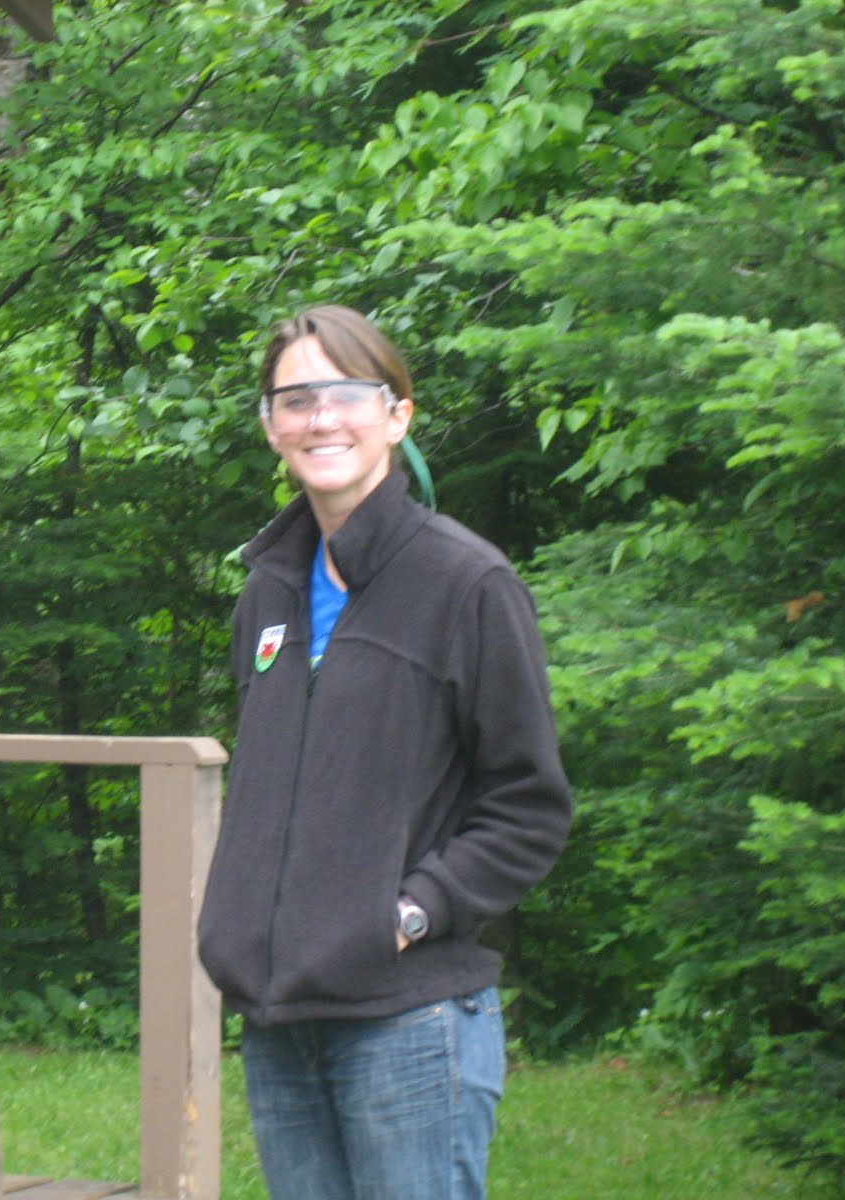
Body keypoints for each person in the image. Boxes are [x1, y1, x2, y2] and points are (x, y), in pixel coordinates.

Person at [197, 305, 572, 1199]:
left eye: (346, 395)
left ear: (397, 416)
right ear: (270, 427)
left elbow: (527, 805)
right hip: (281, 1019)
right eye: (295, 400)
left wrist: (407, 913)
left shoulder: (466, 584)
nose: (320, 418)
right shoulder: (268, 593)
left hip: (411, 1018)